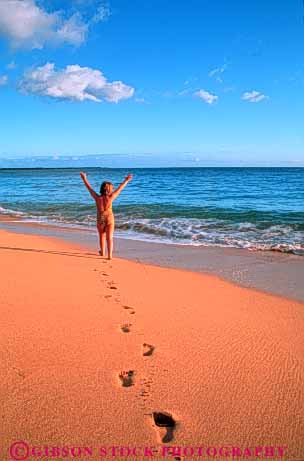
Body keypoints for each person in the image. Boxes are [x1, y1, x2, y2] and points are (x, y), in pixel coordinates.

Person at [80, 172, 133, 260]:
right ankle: (110, 256)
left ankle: (102, 252)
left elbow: (89, 188)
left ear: (101, 189)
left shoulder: (97, 198)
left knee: (101, 236)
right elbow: (120, 189)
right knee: (109, 238)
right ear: (110, 190)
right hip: (109, 218)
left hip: (100, 218)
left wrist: (84, 178)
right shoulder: (111, 197)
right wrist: (126, 180)